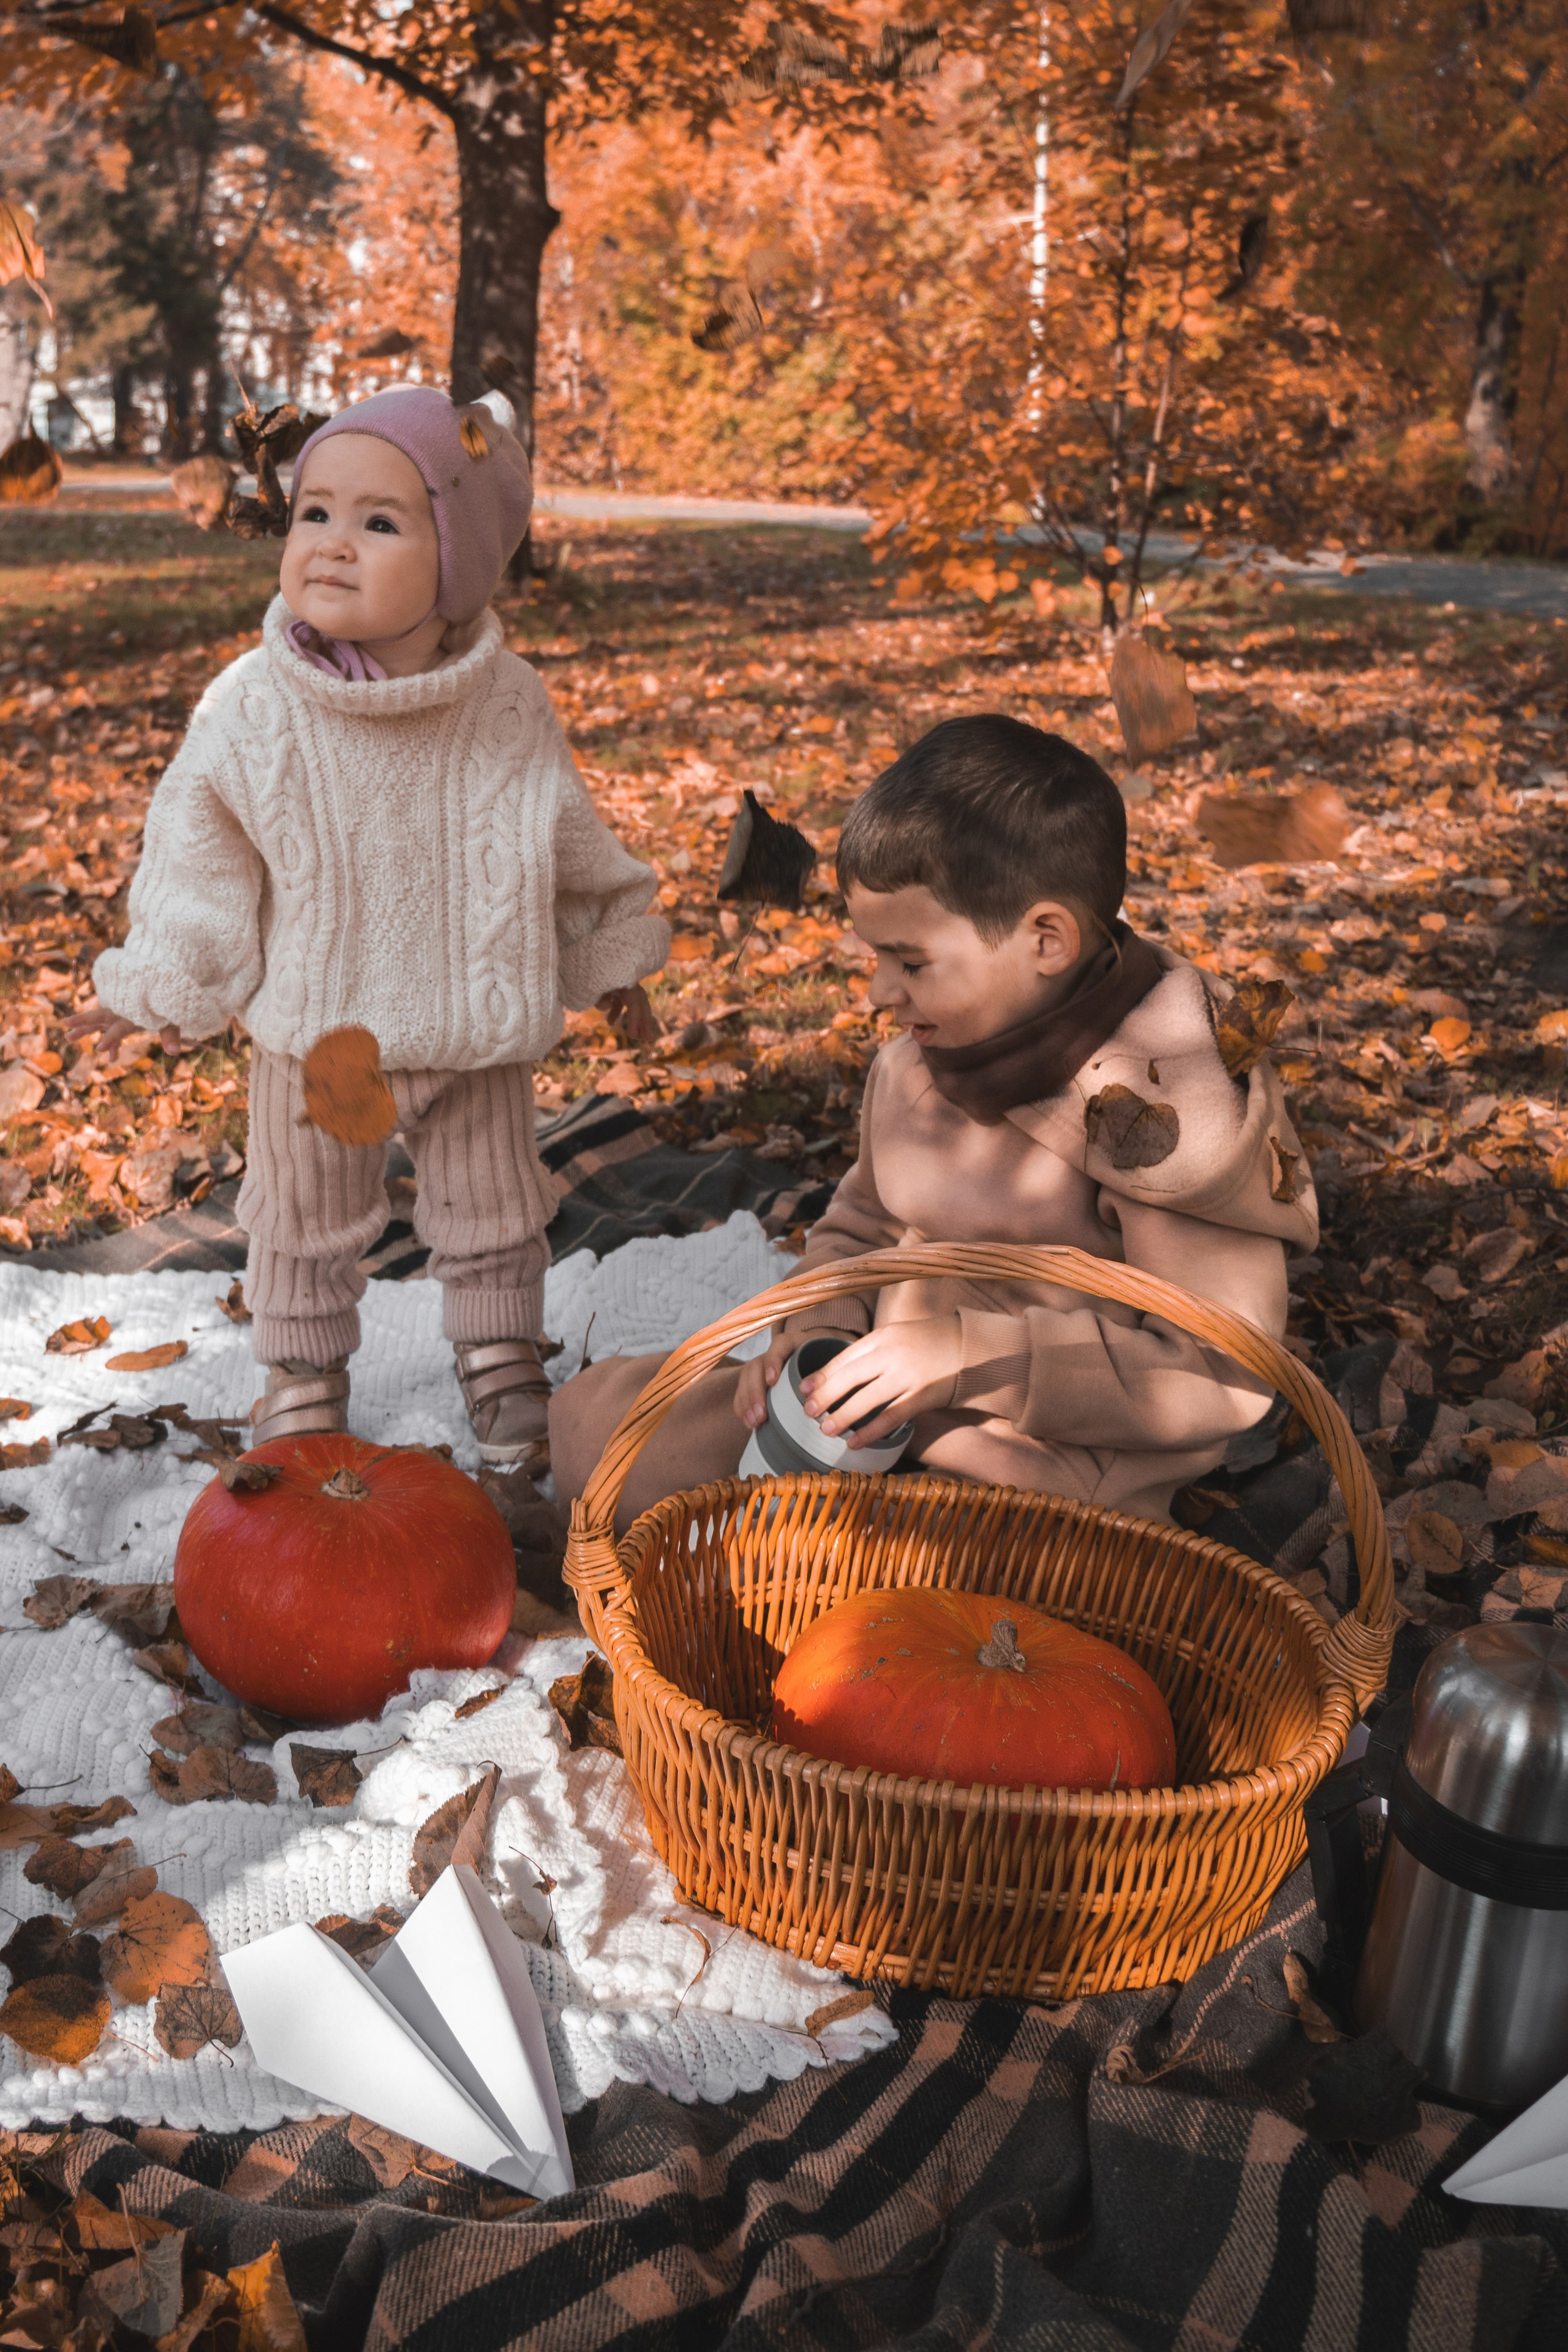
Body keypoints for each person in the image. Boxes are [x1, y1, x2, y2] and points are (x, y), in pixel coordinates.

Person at [68, 385, 667, 1476]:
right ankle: (302, 1375)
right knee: (304, 1220)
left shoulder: (506, 703)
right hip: (324, 1035)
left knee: (494, 1214)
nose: (333, 546)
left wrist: (611, 949)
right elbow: (196, 853)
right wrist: (162, 977)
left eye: (379, 523)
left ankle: (498, 1358)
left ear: (458, 565)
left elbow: (566, 837)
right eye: (314, 515)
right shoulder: (255, 706)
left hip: (475, 1025)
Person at [551, 714, 1315, 1531]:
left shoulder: (1162, 1114)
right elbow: (861, 1225)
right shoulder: (926, 1056)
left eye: (911, 963)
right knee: (593, 1432)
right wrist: (819, 1328)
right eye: (876, 958)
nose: (880, 992)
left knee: (906, 1603)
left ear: (1046, 940)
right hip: (876, 1397)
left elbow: (1215, 1368)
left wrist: (965, 1358)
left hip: (1035, 1455)